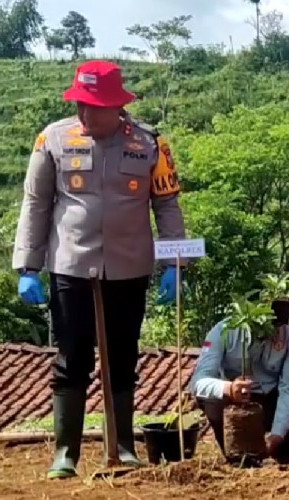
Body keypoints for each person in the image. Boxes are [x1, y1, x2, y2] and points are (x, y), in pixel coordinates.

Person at [12, 61, 186, 478]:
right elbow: (35, 204)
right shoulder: (52, 139)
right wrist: (27, 267)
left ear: (117, 107)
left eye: (94, 107)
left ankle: (123, 445)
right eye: (80, 105)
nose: (85, 115)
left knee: (123, 356)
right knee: (72, 355)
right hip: (71, 265)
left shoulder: (150, 145)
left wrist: (174, 263)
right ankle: (65, 453)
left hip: (129, 268)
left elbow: (167, 204)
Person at [190, 308, 289, 466]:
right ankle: (238, 455)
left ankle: (280, 451)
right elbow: (199, 382)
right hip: (235, 403)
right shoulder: (223, 331)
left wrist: (277, 435)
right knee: (212, 398)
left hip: (273, 401)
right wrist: (229, 388)